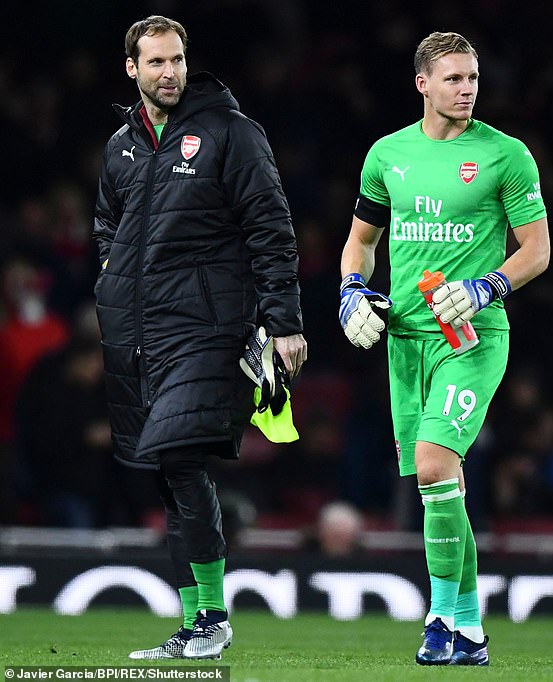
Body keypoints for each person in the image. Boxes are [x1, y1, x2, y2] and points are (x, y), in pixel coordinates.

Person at [93, 15, 307, 660]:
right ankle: (195, 624)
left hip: (210, 325)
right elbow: (109, 223)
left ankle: (212, 619)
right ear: (131, 68)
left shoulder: (230, 134)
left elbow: (272, 228)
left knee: (180, 456)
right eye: (155, 63)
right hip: (139, 333)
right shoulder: (120, 147)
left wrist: (284, 323)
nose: (169, 73)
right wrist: (110, 276)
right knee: (164, 468)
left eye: (177, 60)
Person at [339, 31, 549, 666]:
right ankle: (471, 628)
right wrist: (351, 290)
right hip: (405, 340)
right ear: (423, 84)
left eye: (474, 78)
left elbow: (536, 251)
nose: (468, 89)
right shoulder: (387, 155)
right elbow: (361, 242)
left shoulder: (505, 156)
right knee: (442, 482)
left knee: (434, 462)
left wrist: (488, 286)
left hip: (472, 337)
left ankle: (438, 615)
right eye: (454, 78)